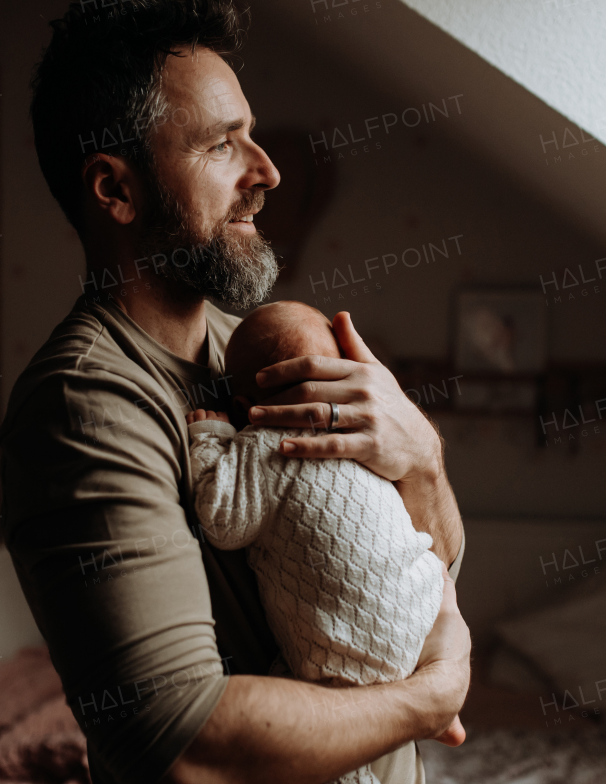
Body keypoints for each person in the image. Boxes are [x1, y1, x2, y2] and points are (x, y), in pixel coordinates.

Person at [2, 0, 468, 784]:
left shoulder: (253, 348)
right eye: (223, 146)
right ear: (115, 190)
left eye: (252, 137)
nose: (268, 171)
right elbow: (186, 743)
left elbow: (419, 561)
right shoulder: (85, 405)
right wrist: (430, 699)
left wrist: (422, 458)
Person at [185, 301, 463, 784]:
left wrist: (211, 438)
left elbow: (222, 519)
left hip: (345, 656)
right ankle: (435, 702)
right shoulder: (365, 439)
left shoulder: (265, 444)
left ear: (244, 409)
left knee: (301, 704)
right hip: (422, 605)